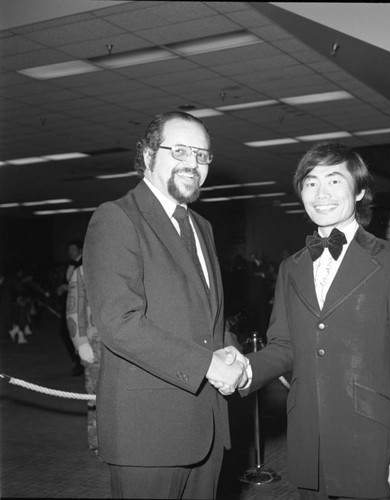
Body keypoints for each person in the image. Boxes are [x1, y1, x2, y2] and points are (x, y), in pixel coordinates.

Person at [239, 142, 390, 500]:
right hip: (308, 441)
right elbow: (285, 345)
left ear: (359, 191)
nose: (320, 194)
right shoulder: (290, 268)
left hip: (373, 441)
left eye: (334, 181)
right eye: (310, 183)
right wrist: (245, 370)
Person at [83, 111, 247, 499]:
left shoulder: (201, 227)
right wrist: (208, 365)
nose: (192, 163)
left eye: (202, 155)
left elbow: (208, 316)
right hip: (148, 436)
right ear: (148, 154)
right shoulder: (117, 218)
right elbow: (120, 324)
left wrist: (233, 352)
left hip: (205, 426)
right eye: (180, 150)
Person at [66, 264, 101, 454]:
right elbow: (73, 307)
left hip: (123, 344)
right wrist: (80, 342)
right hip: (95, 343)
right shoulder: (82, 270)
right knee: (95, 396)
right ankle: (97, 441)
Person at [56, 239, 84, 376]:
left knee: (78, 332)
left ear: (80, 250)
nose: (70, 252)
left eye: (73, 249)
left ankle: (80, 362)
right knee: (64, 331)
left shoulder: (85, 263)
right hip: (68, 303)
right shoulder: (69, 264)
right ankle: (77, 359)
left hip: (80, 303)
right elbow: (65, 281)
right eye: (69, 250)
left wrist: (67, 287)